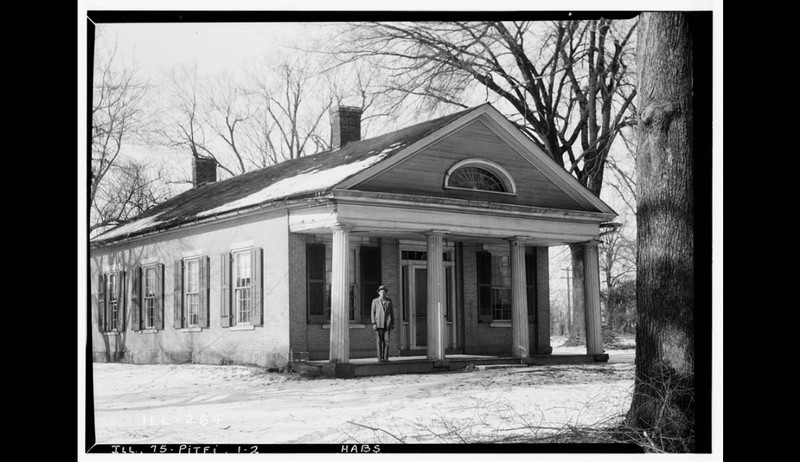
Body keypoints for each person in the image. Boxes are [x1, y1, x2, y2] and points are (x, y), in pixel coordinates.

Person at [371, 285, 394, 363]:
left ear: (386, 293)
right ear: (379, 293)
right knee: (379, 341)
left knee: (387, 342)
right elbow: (372, 313)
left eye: (384, 292)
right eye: (381, 292)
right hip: (379, 324)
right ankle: (379, 358)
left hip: (387, 324)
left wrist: (392, 323)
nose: (383, 293)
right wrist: (373, 323)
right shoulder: (375, 301)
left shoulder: (389, 301)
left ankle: (386, 358)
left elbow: (392, 313)